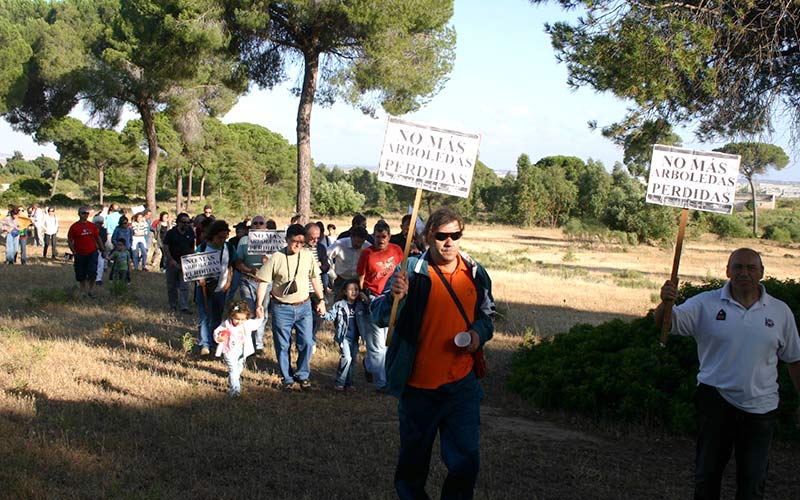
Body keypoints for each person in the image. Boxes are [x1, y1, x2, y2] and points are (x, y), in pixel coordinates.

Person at [654, 248, 800, 499]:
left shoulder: (780, 312)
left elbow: (794, 359)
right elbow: (666, 323)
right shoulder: (705, 303)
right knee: (707, 476)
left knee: (753, 480)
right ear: (727, 271)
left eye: (751, 268)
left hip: (761, 408)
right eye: (738, 267)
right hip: (715, 402)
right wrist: (665, 303)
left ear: (762, 273)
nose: (744, 273)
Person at [372, 207, 495, 500]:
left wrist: (479, 334)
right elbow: (379, 317)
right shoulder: (410, 271)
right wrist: (394, 296)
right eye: (442, 236)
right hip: (418, 388)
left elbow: (488, 316)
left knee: (466, 463)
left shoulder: (476, 273)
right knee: (412, 467)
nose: (449, 242)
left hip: (461, 386)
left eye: (456, 235)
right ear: (429, 237)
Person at [255, 224, 326, 391]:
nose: (298, 245)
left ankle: (303, 375)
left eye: (302, 242)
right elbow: (263, 282)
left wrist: (321, 300)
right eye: (295, 241)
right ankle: (286, 377)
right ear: (287, 240)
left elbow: (315, 278)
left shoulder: (308, 256)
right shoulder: (276, 257)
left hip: (304, 306)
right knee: (282, 344)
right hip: (282, 308)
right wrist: (259, 305)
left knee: (307, 342)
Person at [357, 220, 403, 391]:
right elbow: (361, 278)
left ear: (389, 236)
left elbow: (403, 271)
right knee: (377, 346)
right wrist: (361, 293)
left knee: (388, 342)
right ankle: (382, 384)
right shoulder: (367, 253)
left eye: (384, 237)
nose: (381, 240)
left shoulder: (397, 251)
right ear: (373, 236)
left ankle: (370, 365)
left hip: (391, 300)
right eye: (377, 237)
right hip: (373, 300)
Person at [323, 279, 371, 391]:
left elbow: (370, 310)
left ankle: (349, 383)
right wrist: (323, 313)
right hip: (344, 337)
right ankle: (340, 382)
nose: (354, 292)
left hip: (355, 338)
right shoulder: (340, 305)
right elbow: (331, 315)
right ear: (345, 292)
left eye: (356, 290)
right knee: (347, 358)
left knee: (353, 361)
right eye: (350, 290)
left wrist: (366, 300)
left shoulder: (360, 305)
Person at [195, 220, 234, 356]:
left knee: (216, 316)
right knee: (204, 315)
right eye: (219, 237)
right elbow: (194, 266)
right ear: (213, 235)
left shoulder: (228, 248)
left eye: (225, 237)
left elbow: (232, 265)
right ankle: (204, 344)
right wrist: (199, 280)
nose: (222, 240)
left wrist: (228, 282)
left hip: (220, 288)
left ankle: (214, 342)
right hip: (203, 287)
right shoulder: (203, 247)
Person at [233, 216, 270, 354]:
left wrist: (267, 261)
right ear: (251, 226)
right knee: (249, 311)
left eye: (261, 223)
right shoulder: (244, 241)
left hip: (266, 282)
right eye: (255, 223)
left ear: (265, 226)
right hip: (248, 280)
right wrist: (250, 270)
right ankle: (248, 343)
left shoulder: (272, 242)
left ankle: (258, 344)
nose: (258, 225)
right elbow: (238, 262)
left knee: (262, 312)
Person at [214, 300, 263, 397]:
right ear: (231, 315)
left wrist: (260, 316)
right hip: (229, 350)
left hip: (241, 351)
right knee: (233, 369)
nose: (239, 322)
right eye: (236, 319)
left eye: (242, 319)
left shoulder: (246, 324)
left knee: (239, 367)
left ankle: (233, 380)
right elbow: (217, 331)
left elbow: (256, 324)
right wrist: (219, 338)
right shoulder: (226, 324)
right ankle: (235, 390)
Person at [67, 206, 107, 298]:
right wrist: (74, 251)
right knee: (81, 273)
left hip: (92, 252)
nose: (85, 215)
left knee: (92, 272)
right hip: (80, 253)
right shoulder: (74, 227)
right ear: (79, 214)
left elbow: (97, 238)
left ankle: (91, 290)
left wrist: (102, 250)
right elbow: (70, 240)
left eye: (87, 213)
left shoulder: (92, 226)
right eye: (83, 213)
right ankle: (83, 291)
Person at [163, 213, 196, 313]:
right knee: (172, 285)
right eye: (184, 222)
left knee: (185, 286)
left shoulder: (190, 232)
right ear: (178, 222)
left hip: (185, 263)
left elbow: (192, 245)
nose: (186, 224)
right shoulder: (171, 233)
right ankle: (173, 305)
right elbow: (166, 247)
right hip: (172, 262)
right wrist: (171, 260)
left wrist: (191, 258)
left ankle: (184, 306)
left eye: (188, 222)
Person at [327, 225, 371, 297]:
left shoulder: (367, 247)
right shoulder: (340, 244)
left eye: (361, 242)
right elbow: (325, 256)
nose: (358, 244)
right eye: (356, 241)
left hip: (358, 281)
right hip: (341, 280)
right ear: (351, 237)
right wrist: (332, 273)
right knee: (338, 303)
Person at [305, 222, 330, 337]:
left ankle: (311, 336)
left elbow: (326, 266)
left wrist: (318, 265)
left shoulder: (320, 248)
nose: (315, 241)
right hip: (303, 288)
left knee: (319, 316)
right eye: (312, 238)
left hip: (317, 287)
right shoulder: (300, 248)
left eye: (317, 238)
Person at [93, 215, 108, 285]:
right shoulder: (91, 230)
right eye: (99, 223)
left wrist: (101, 248)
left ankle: (98, 279)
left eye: (101, 223)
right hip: (92, 249)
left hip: (101, 249)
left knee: (101, 264)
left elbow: (104, 240)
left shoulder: (104, 230)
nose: (100, 224)